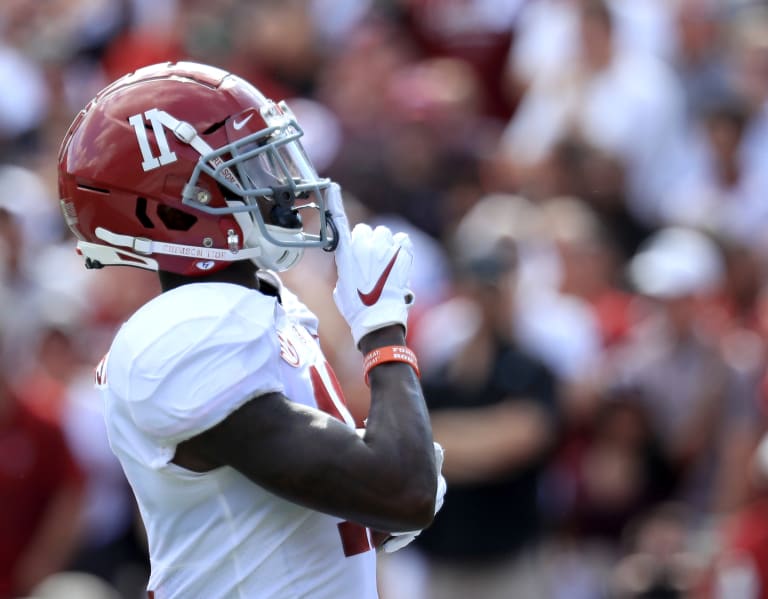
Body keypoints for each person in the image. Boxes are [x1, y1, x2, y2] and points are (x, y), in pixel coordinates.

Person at [57, 61, 445, 599]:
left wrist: (381, 478)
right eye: (248, 170)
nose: (282, 187)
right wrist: (381, 332)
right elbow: (403, 491)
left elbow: (291, 516)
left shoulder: (260, 304)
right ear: (174, 210)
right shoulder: (185, 332)